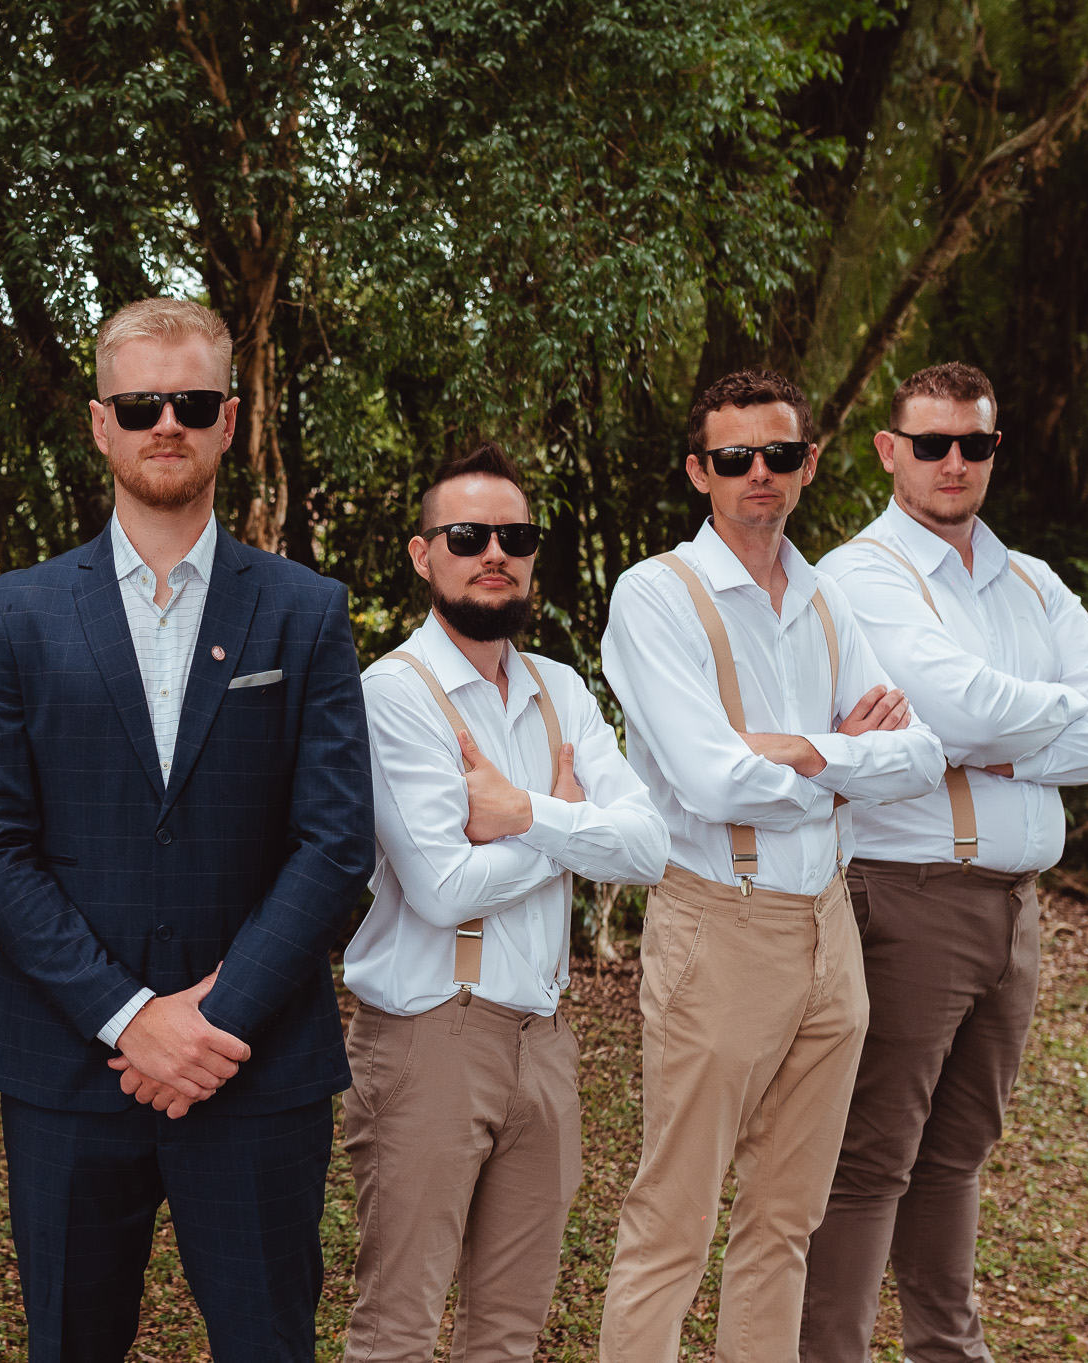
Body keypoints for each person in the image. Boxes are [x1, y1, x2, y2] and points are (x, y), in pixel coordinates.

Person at [0, 297, 375, 1363]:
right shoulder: (17, 612)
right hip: (67, 1064)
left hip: (254, 1062)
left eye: (191, 402)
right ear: (102, 424)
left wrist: (208, 1021)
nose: (166, 424)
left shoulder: (305, 610)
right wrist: (127, 1015)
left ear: (229, 418)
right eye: (140, 405)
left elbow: (334, 843)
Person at [802, 363, 1088, 1362]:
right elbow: (960, 704)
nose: (951, 461)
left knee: (957, 1153)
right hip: (908, 898)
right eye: (930, 443)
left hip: (1014, 908)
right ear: (889, 451)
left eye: (973, 443)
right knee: (871, 1157)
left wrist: (995, 743)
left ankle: (947, 1353)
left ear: (994, 449)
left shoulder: (1030, 581)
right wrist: (1033, 717)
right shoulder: (862, 574)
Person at [596, 369, 945, 1363]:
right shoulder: (657, 595)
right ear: (698, 470)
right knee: (673, 1220)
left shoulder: (827, 597)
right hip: (720, 922)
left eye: (779, 453)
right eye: (735, 457)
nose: (759, 472)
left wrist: (796, 752)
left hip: (829, 929)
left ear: (809, 464)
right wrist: (845, 760)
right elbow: (710, 778)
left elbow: (922, 756)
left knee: (787, 1220)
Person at [342, 442, 668, 1362]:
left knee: (510, 1335)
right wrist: (570, 829)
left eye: (515, 537)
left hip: (546, 1041)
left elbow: (649, 848)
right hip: (430, 1037)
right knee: (397, 1330)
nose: (495, 552)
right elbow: (443, 887)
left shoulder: (560, 689)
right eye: (467, 535)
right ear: (423, 554)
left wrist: (523, 813)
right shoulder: (393, 694)